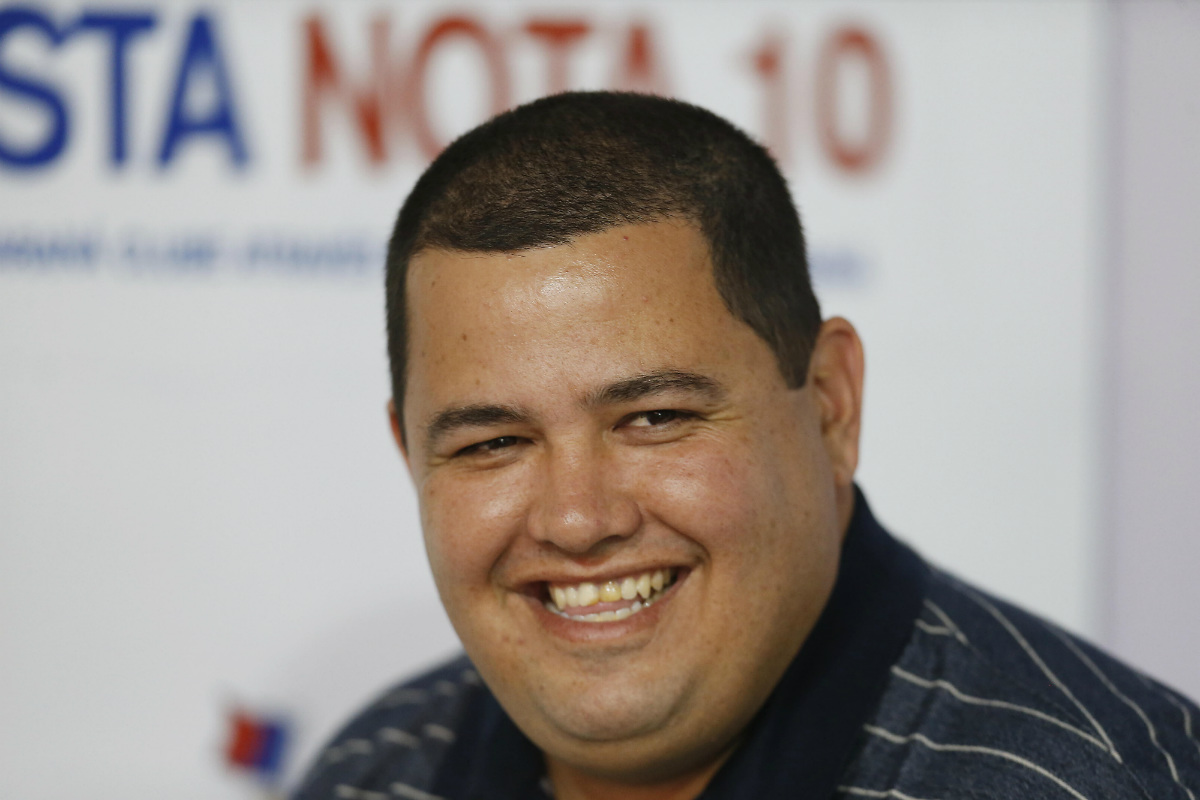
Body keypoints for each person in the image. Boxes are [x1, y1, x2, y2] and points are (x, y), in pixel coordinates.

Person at [293, 92, 1200, 800]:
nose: (577, 519)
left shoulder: (1097, 782)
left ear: (832, 405)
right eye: (494, 441)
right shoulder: (373, 773)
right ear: (411, 458)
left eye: (655, 418)